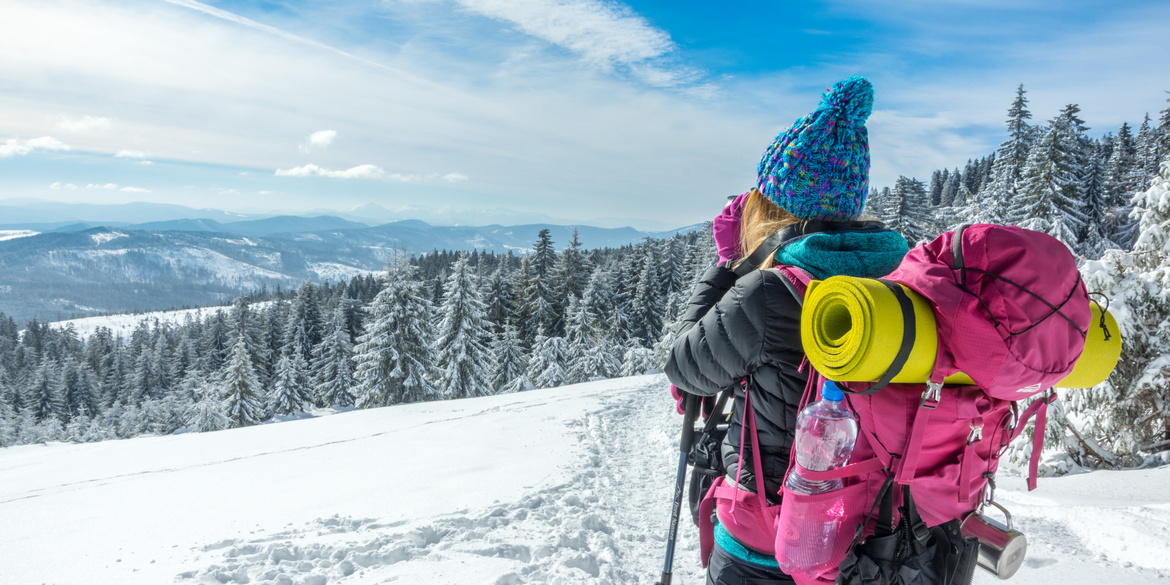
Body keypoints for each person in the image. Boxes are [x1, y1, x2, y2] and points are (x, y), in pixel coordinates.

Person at [665, 77, 911, 584]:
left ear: (774, 208)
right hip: (874, 540)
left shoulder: (768, 295)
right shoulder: (900, 283)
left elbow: (686, 367)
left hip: (770, 544)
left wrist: (729, 262)